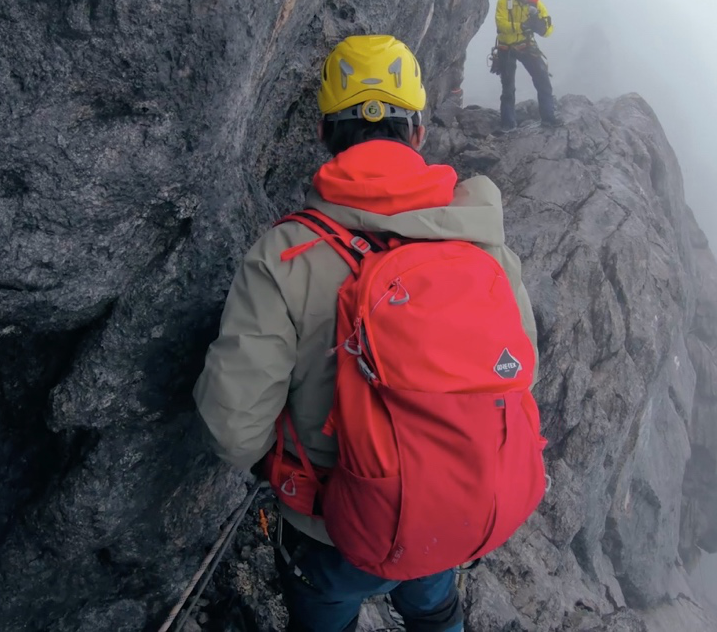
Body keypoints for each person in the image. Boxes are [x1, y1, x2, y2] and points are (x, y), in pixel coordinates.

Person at [192, 34, 541, 632]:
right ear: (418, 133)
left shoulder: (285, 255)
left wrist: (302, 489)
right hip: (450, 512)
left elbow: (232, 423)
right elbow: (522, 368)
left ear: (327, 134)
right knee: (434, 609)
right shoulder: (484, 246)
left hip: (333, 529)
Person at [491, 0, 558, 129]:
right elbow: (501, 25)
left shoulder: (536, 5)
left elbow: (548, 31)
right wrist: (523, 26)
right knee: (508, 88)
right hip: (506, 48)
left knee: (543, 80)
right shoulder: (504, 1)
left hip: (525, 46)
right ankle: (508, 124)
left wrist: (540, 24)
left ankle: (548, 118)